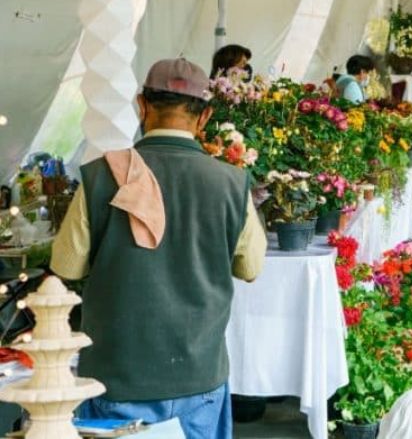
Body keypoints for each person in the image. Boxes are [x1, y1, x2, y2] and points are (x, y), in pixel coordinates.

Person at [52, 58, 267, 439]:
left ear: (142, 105)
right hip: (197, 373)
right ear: (205, 118)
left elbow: (66, 266)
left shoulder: (101, 175)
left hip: (116, 375)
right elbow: (250, 267)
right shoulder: (231, 183)